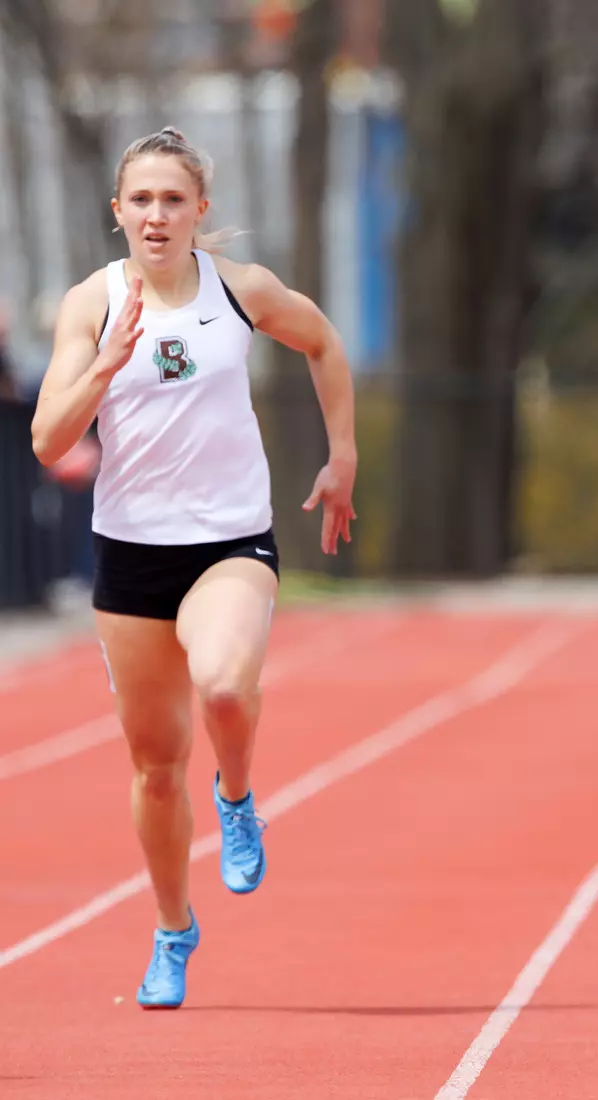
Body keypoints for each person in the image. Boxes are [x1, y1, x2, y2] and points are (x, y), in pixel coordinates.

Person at [28, 127, 357, 1009]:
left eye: (174, 199)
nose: (158, 215)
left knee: (221, 687)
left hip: (229, 543)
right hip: (131, 556)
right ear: (118, 213)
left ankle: (239, 795)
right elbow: (47, 438)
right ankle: (174, 929)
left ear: (200, 209)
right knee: (154, 766)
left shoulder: (240, 292)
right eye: (141, 200)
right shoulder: (89, 306)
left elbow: (323, 344)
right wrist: (104, 363)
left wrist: (343, 456)